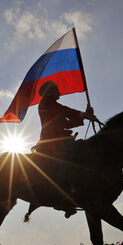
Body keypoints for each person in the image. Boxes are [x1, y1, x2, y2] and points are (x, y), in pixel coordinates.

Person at [34, 81, 96, 216]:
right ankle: (69, 189)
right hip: (52, 142)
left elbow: (66, 123)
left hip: (59, 140)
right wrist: (84, 115)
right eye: (57, 89)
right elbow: (65, 111)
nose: (60, 92)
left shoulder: (51, 105)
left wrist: (84, 116)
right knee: (74, 155)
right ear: (49, 91)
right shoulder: (47, 102)